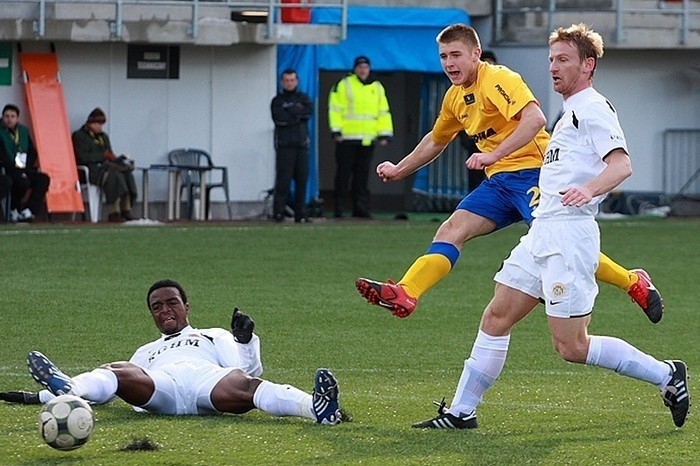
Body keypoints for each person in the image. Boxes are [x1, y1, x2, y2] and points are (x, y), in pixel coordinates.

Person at [412, 23, 689, 430]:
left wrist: (589, 190)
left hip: (569, 237)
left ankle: (667, 375)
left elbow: (622, 165)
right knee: (496, 317)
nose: (554, 68)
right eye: (551, 60)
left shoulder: (593, 108)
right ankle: (460, 412)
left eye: (564, 60)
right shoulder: (569, 112)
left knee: (572, 347)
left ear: (588, 65)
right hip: (542, 232)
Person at [355, 24, 663, 324]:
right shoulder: (454, 97)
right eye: (444, 56)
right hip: (499, 182)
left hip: (534, 173)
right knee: (450, 231)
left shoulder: (498, 78)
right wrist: (400, 169)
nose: (449, 63)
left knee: (561, 245)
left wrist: (494, 154)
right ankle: (407, 292)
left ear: (476, 54)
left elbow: (535, 119)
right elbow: (437, 139)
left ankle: (631, 281)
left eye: (456, 55)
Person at [0, 279, 343, 426]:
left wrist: (243, 340)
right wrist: (43, 397)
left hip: (207, 382)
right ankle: (69, 388)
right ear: (151, 313)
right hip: (160, 388)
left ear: (186, 306)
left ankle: (316, 409)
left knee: (245, 385)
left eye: (171, 302)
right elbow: (110, 394)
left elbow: (245, 369)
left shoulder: (211, 334)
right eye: (156, 306)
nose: (164, 309)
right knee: (118, 371)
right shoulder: (145, 351)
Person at [328, 56, 394, 218]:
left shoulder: (377, 87)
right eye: (360, 67)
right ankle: (339, 208)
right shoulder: (344, 84)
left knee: (362, 175)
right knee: (343, 174)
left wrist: (384, 133)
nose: (363, 70)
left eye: (366, 67)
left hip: (367, 139)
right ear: (355, 69)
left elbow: (383, 111)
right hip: (347, 138)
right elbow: (335, 108)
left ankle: (360, 207)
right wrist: (336, 131)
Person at [72, 108, 138, 222]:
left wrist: (119, 159)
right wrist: (103, 156)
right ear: (90, 123)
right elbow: (82, 157)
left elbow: (109, 154)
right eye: (97, 124)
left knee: (125, 173)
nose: (100, 127)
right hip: (92, 170)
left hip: (106, 166)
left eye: (101, 124)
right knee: (114, 175)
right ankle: (114, 211)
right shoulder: (79, 136)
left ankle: (126, 208)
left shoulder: (103, 137)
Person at [270, 69, 314, 223]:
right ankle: (278, 213)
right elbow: (279, 119)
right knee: (283, 181)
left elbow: (308, 112)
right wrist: (296, 114)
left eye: (292, 80)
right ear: (282, 82)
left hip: (301, 146)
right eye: (286, 80)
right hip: (284, 146)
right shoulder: (277, 100)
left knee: (302, 180)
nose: (289, 83)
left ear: (297, 81)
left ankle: (301, 214)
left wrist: (291, 112)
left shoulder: (304, 98)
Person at [0, 104, 50, 222]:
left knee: (43, 179)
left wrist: (25, 169)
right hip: (8, 169)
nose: (9, 119)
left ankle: (29, 210)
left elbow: (32, 152)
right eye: (6, 116)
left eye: (12, 116)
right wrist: (18, 170)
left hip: (23, 168)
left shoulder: (23, 131)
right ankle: (13, 208)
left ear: (17, 118)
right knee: (22, 181)